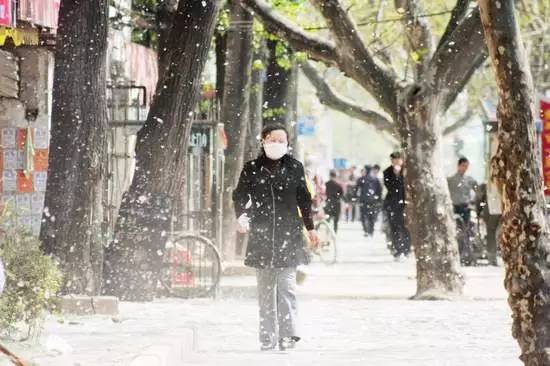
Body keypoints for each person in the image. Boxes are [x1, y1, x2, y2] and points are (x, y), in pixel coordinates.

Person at [233, 124, 320, 352]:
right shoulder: (252, 169)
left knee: (287, 288)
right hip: (262, 236)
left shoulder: (294, 167)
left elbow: (304, 200)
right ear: (263, 141)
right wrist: (242, 216)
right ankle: (267, 338)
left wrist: (310, 229)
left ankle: (288, 335)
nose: (278, 144)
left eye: (283, 140)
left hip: (289, 235)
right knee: (265, 292)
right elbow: (240, 195)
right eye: (273, 139)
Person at [447, 157, 478, 264]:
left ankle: (467, 256)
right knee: (457, 232)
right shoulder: (451, 180)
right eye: (463, 166)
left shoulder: (469, 179)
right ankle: (457, 255)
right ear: (459, 166)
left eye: (466, 166)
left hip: (466, 208)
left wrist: (473, 202)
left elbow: (478, 191)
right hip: (455, 208)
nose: (465, 168)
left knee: (467, 232)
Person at [383, 152, 410, 260]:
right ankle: (397, 250)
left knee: (405, 228)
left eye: (398, 159)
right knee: (394, 227)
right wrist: (395, 175)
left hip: (405, 203)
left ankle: (406, 249)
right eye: (393, 160)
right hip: (392, 204)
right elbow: (390, 187)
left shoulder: (407, 171)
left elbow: (407, 186)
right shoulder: (387, 172)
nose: (396, 162)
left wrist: (401, 175)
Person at [357, 164, 383, 237]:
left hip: (363, 201)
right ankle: (371, 231)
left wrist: (356, 198)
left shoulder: (361, 179)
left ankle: (365, 230)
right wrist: (379, 200)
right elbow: (379, 191)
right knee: (371, 216)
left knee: (363, 216)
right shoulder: (375, 179)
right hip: (373, 201)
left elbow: (356, 189)